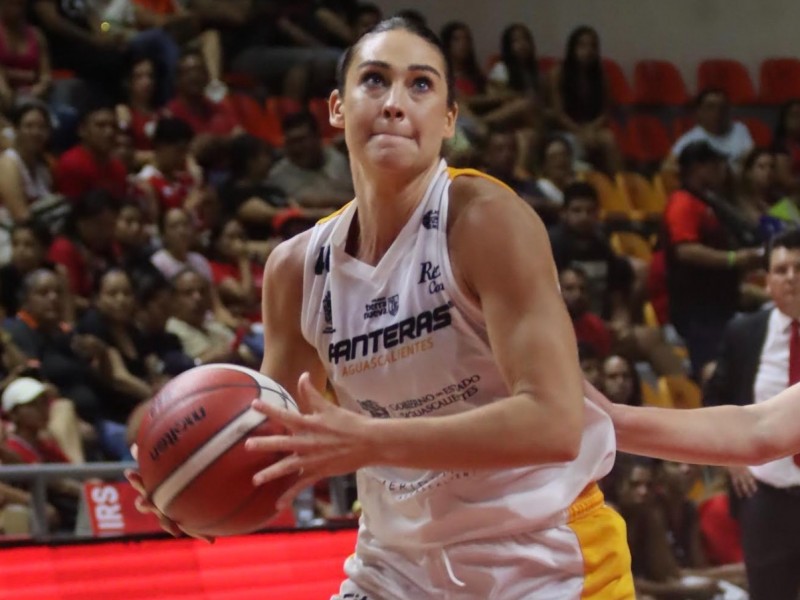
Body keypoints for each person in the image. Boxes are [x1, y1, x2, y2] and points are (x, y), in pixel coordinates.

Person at [129, 17, 634, 598]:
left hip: (541, 556)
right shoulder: (295, 270)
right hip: (395, 568)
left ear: (448, 120)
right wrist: (189, 480)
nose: (395, 102)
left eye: (420, 84)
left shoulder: (486, 220)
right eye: (374, 80)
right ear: (337, 108)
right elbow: (279, 448)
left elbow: (554, 423)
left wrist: (373, 440)